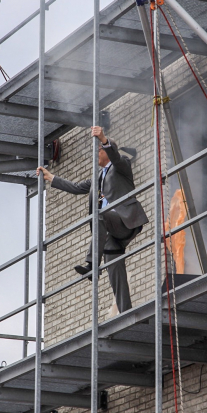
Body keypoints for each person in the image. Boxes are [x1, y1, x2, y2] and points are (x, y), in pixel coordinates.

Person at [37, 126, 148, 314]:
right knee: (115, 269)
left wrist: (104, 139)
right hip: (110, 230)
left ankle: (91, 265)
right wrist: (50, 177)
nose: (96, 154)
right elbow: (76, 187)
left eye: (99, 150)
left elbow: (115, 157)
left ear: (107, 150)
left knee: (99, 213)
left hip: (124, 221)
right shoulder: (97, 177)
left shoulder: (122, 166)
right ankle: (126, 312)